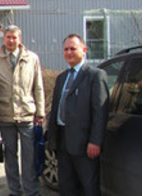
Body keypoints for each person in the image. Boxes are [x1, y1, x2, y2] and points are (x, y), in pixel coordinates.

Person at [47, 34, 109, 196]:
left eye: (73, 48)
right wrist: (52, 138)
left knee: (88, 187)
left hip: (85, 145)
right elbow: (55, 109)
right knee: (66, 186)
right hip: (63, 141)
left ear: (84, 50)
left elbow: (100, 111)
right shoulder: (61, 78)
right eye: (66, 49)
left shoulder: (95, 75)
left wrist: (95, 141)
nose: (69, 52)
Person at [0, 25, 45, 196]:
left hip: (27, 115)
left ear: (20, 39)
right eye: (8, 37)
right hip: (5, 117)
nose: (11, 41)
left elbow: (39, 87)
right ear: (3, 39)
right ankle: (14, 191)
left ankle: (32, 191)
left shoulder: (32, 58)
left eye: (14, 37)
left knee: (29, 158)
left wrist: (40, 113)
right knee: (10, 158)